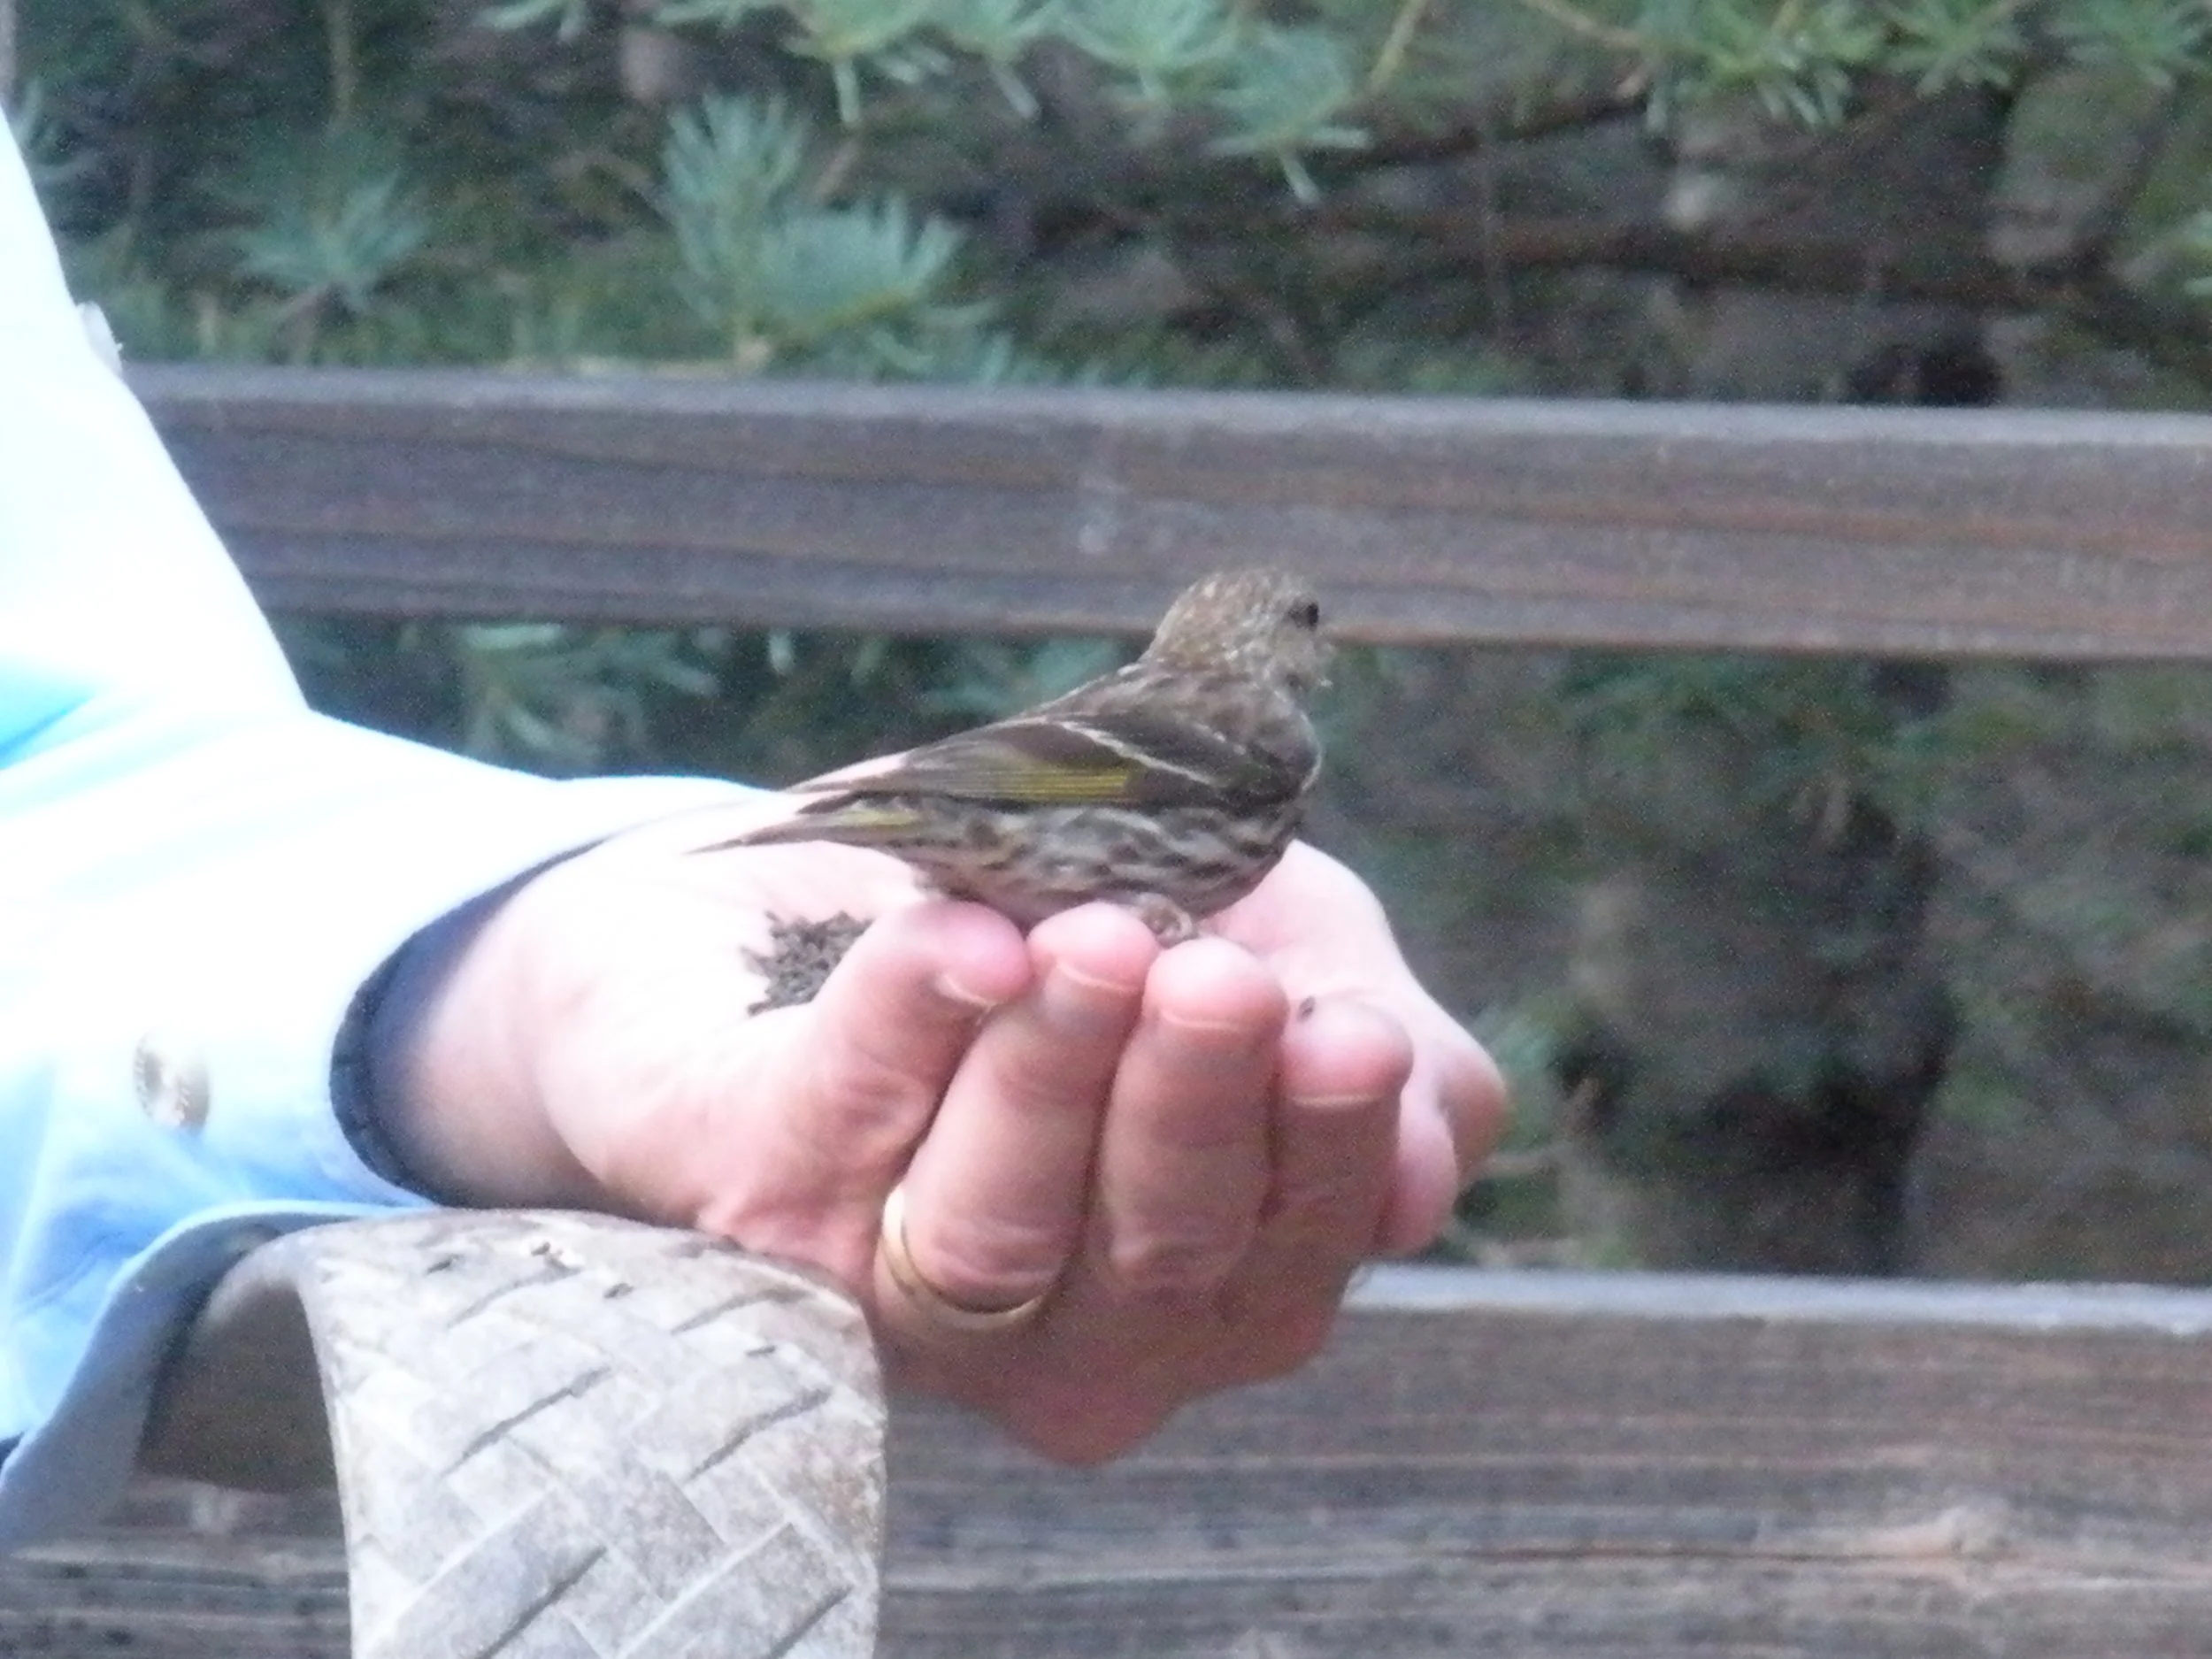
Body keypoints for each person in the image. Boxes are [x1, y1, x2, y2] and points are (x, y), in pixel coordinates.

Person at [0, 120, 1505, 1547]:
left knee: (1114, 991)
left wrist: (501, 985)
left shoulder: (1187, 718)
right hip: (1035, 820)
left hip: (990, 842)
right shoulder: (1252, 742)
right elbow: (1076, 780)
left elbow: (79, 750)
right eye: (1313, 623)